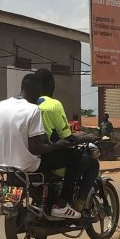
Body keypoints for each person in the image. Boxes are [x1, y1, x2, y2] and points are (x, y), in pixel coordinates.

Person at [0, 73, 82, 219]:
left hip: (4, 164)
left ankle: (37, 197)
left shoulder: (1, 105)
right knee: (74, 156)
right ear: (37, 89)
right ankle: (62, 204)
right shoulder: (33, 110)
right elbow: (36, 148)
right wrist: (58, 145)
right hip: (28, 165)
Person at [34, 68, 99, 212]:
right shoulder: (53, 105)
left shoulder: (29, 104)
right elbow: (67, 138)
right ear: (51, 84)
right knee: (91, 163)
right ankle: (69, 203)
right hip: (49, 156)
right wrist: (86, 137)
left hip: (30, 157)